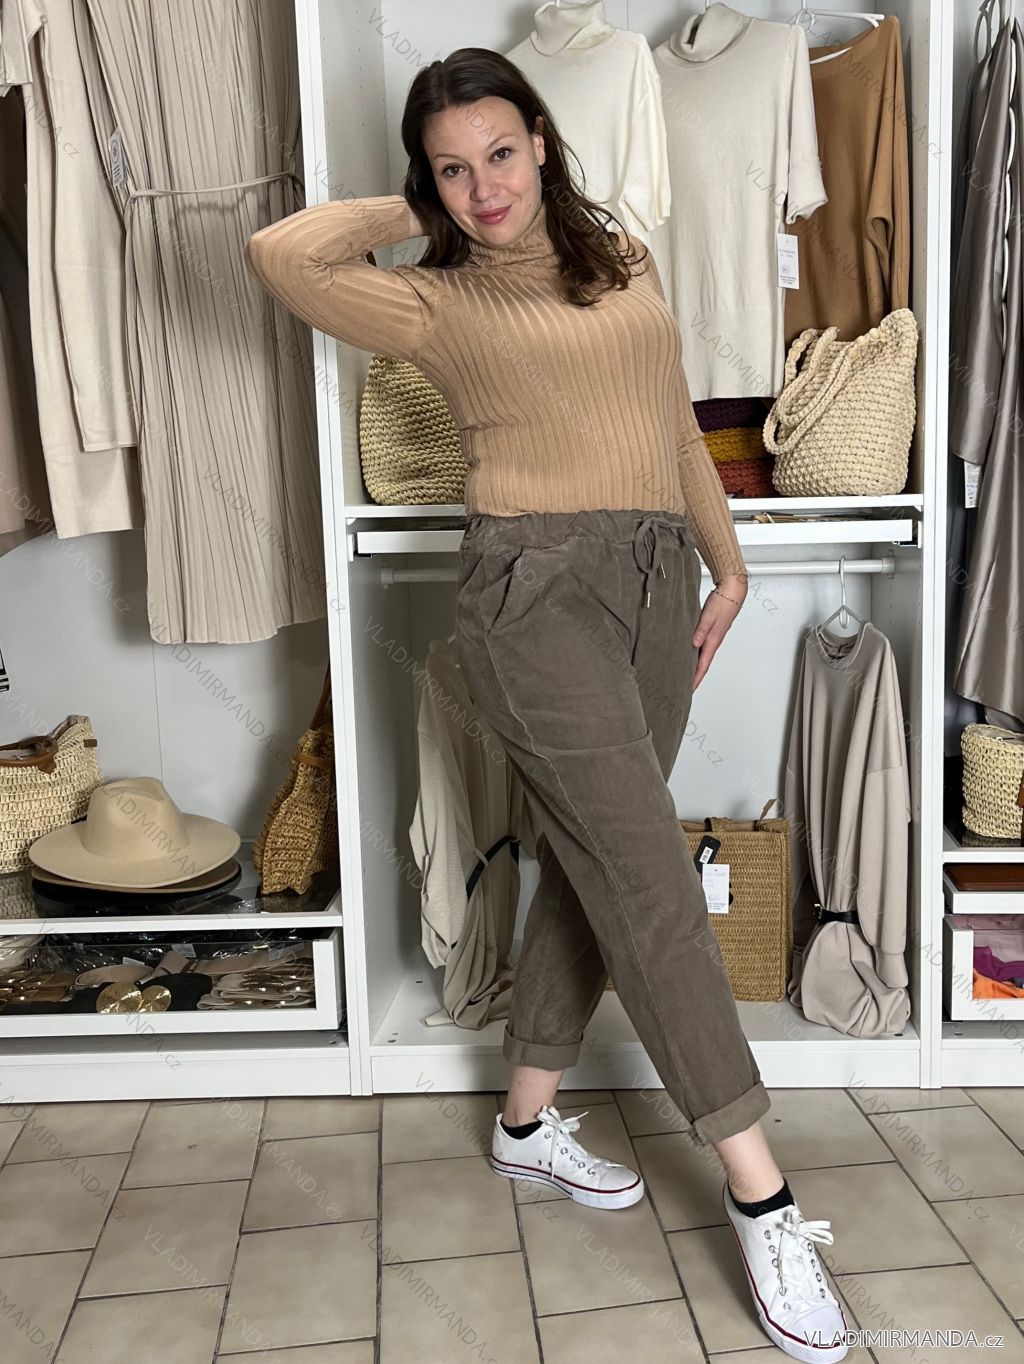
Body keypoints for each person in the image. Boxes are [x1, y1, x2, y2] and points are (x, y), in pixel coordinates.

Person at [244, 46, 848, 1364]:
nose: (484, 188)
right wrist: (413, 203)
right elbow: (278, 254)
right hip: (532, 601)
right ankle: (764, 1198)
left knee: (591, 867)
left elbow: (672, 423)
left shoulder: (622, 257)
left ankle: (523, 1125)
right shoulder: (432, 300)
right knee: (648, 873)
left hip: (656, 578)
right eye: (452, 168)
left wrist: (730, 563)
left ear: (542, 139)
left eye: (501, 154)